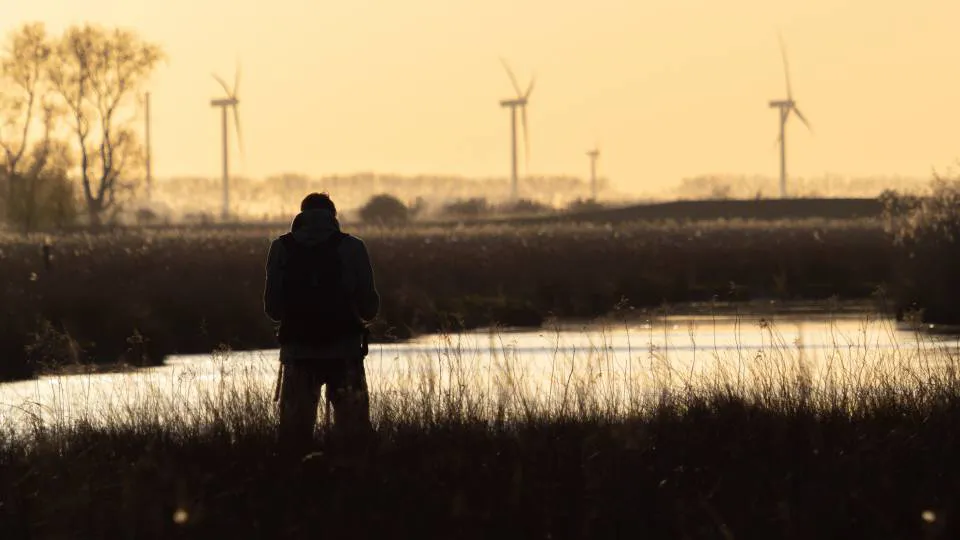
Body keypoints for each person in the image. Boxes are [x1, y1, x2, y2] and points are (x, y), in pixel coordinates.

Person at [264, 192, 380, 453]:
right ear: (333, 216)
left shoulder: (281, 247)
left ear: (302, 215)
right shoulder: (353, 247)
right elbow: (369, 307)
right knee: (353, 432)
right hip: (345, 351)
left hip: (298, 352)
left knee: (295, 433)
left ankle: (297, 485)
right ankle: (351, 483)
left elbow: (272, 309)